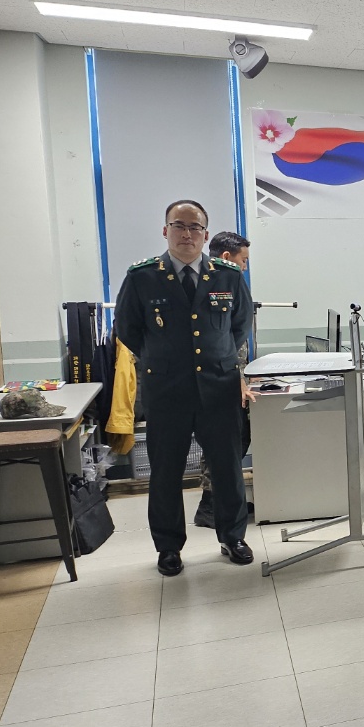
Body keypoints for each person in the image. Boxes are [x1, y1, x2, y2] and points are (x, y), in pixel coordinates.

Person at [113, 200, 254, 576]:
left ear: (206, 235)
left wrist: (220, 356)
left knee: (226, 468)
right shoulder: (143, 277)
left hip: (218, 386)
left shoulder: (227, 275)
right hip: (167, 390)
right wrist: (160, 357)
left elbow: (240, 325)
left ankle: (232, 536)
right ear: (165, 231)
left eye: (195, 228)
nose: (187, 234)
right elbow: (127, 329)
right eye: (179, 226)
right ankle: (169, 547)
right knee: (165, 471)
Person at [194, 231, 255, 529]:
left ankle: (223, 500)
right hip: (216, 380)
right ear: (228, 257)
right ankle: (210, 506)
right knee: (223, 441)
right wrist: (235, 379)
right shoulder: (204, 286)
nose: (245, 267)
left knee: (237, 436)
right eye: (244, 261)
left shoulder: (229, 284)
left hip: (231, 375)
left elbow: (237, 332)